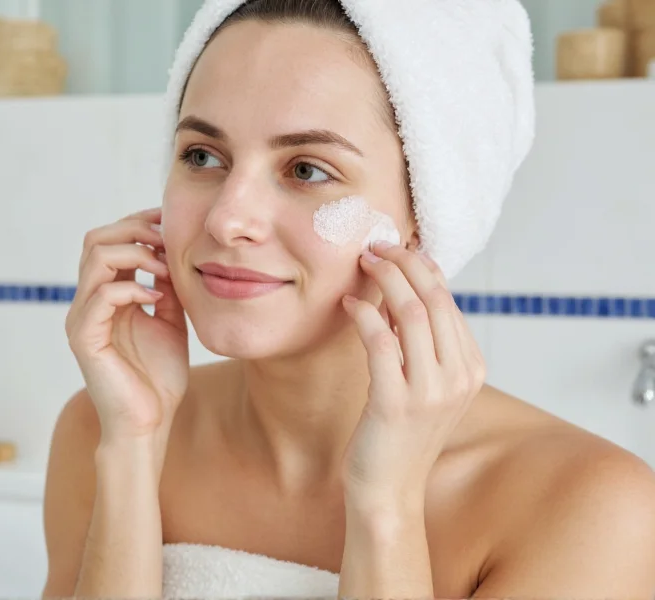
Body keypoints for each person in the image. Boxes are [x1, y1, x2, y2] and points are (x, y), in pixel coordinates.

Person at [42, 0, 655, 598]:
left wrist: (386, 506)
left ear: (426, 215)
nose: (228, 219)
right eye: (202, 156)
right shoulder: (105, 425)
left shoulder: (590, 505)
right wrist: (134, 449)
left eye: (306, 169)